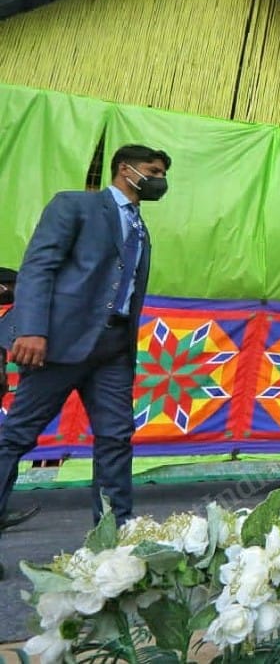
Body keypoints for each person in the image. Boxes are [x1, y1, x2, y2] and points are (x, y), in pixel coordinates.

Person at [0, 144, 171, 531]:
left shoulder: (141, 228)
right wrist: (31, 329)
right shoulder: (76, 206)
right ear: (125, 170)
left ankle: (113, 536)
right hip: (59, 343)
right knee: (16, 437)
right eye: (153, 171)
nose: (160, 180)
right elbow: (39, 267)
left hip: (113, 349)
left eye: (162, 174)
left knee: (116, 439)